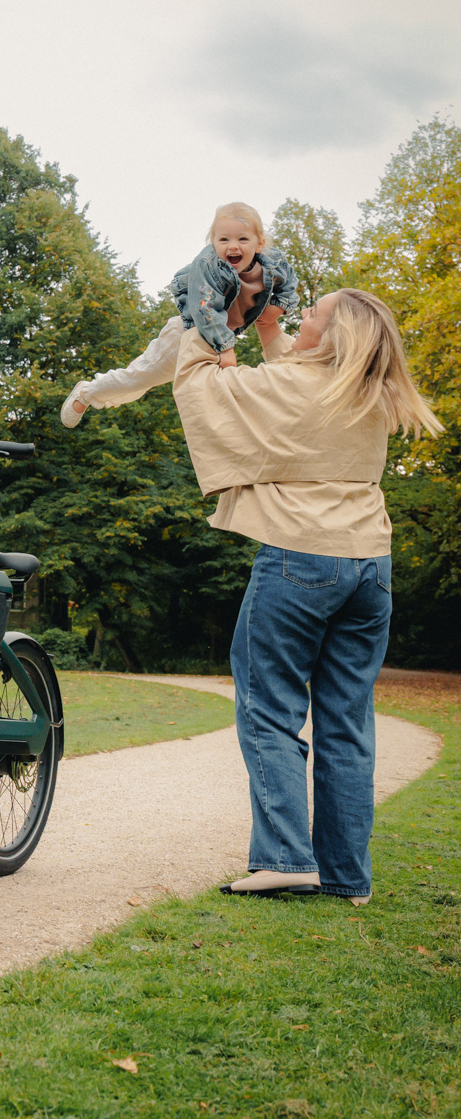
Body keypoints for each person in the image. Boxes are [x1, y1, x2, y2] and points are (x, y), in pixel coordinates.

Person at [171, 289, 441, 904]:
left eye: (313, 314)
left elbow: (204, 389)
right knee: (347, 723)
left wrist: (206, 323)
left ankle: (284, 858)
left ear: (335, 335)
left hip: (301, 557)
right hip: (370, 567)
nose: (302, 317)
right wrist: (270, 330)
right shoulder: (372, 393)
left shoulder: (297, 388)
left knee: (269, 708)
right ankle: (347, 877)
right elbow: (298, 375)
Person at [60, 202, 298, 426]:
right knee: (141, 377)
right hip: (188, 334)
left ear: (259, 244)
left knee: (210, 396)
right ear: (213, 243)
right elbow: (205, 306)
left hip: (216, 342)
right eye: (224, 239)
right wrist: (225, 347)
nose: (233, 246)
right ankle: (87, 392)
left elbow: (289, 282)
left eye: (243, 239)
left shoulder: (273, 262)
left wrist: (279, 304)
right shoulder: (208, 266)